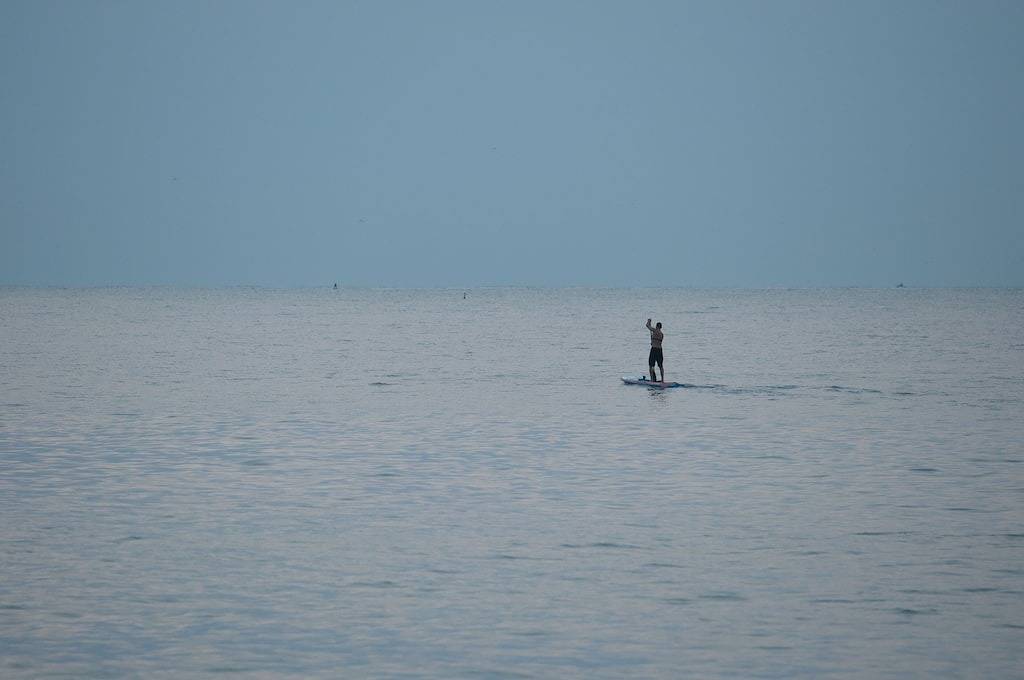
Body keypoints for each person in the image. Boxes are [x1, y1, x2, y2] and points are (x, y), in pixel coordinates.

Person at [646, 318, 664, 382]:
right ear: (661, 327)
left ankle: (652, 380)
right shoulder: (662, 334)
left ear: (656, 326)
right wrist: (652, 341)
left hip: (654, 350)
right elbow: (656, 341)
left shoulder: (655, 331)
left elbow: (647, 326)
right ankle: (662, 380)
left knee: (651, 365)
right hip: (660, 350)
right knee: (660, 365)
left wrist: (649, 321)